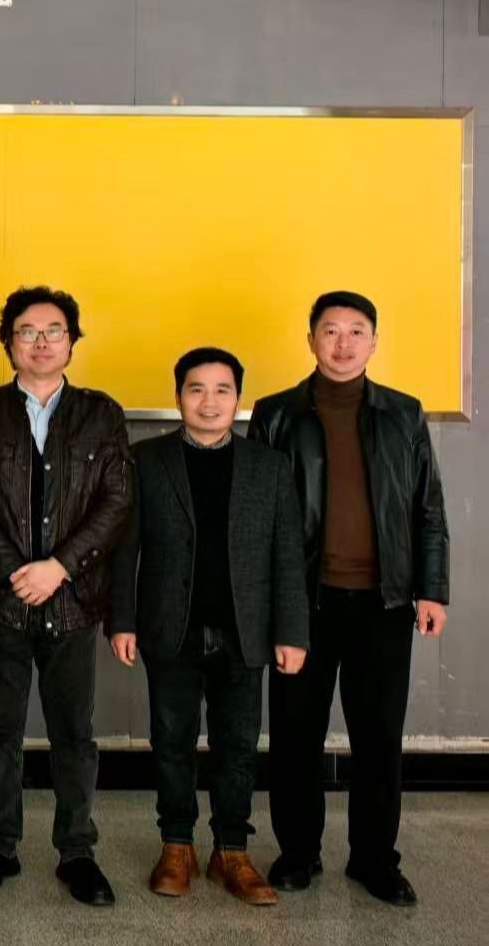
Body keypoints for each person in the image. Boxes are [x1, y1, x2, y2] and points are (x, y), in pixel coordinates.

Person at [250, 291, 450, 906]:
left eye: (355, 331)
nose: (342, 343)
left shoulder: (404, 414)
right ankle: (297, 852)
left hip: (384, 603)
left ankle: (374, 860)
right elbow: (255, 517)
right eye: (330, 330)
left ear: (374, 342)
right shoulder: (276, 414)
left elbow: (428, 509)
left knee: (379, 737)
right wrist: (268, 604)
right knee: (295, 736)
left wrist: (432, 589)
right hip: (302, 603)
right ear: (310, 339)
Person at [0, 285, 131, 906]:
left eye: (54, 331)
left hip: (74, 601)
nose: (41, 342)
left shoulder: (101, 414)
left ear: (72, 342)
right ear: (8, 343)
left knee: (73, 732)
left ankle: (77, 851)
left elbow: (116, 502)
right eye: (27, 331)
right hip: (0, 601)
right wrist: (16, 571)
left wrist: (58, 568)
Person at [109, 347, 309, 905]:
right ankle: (176, 845)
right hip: (169, 627)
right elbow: (125, 549)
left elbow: (288, 556)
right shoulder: (146, 461)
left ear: (238, 398)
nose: (209, 401)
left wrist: (292, 632)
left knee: (237, 745)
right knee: (171, 741)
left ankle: (232, 851)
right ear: (179, 397)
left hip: (246, 630)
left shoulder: (269, 467)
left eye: (222, 390)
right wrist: (121, 620)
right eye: (196, 389)